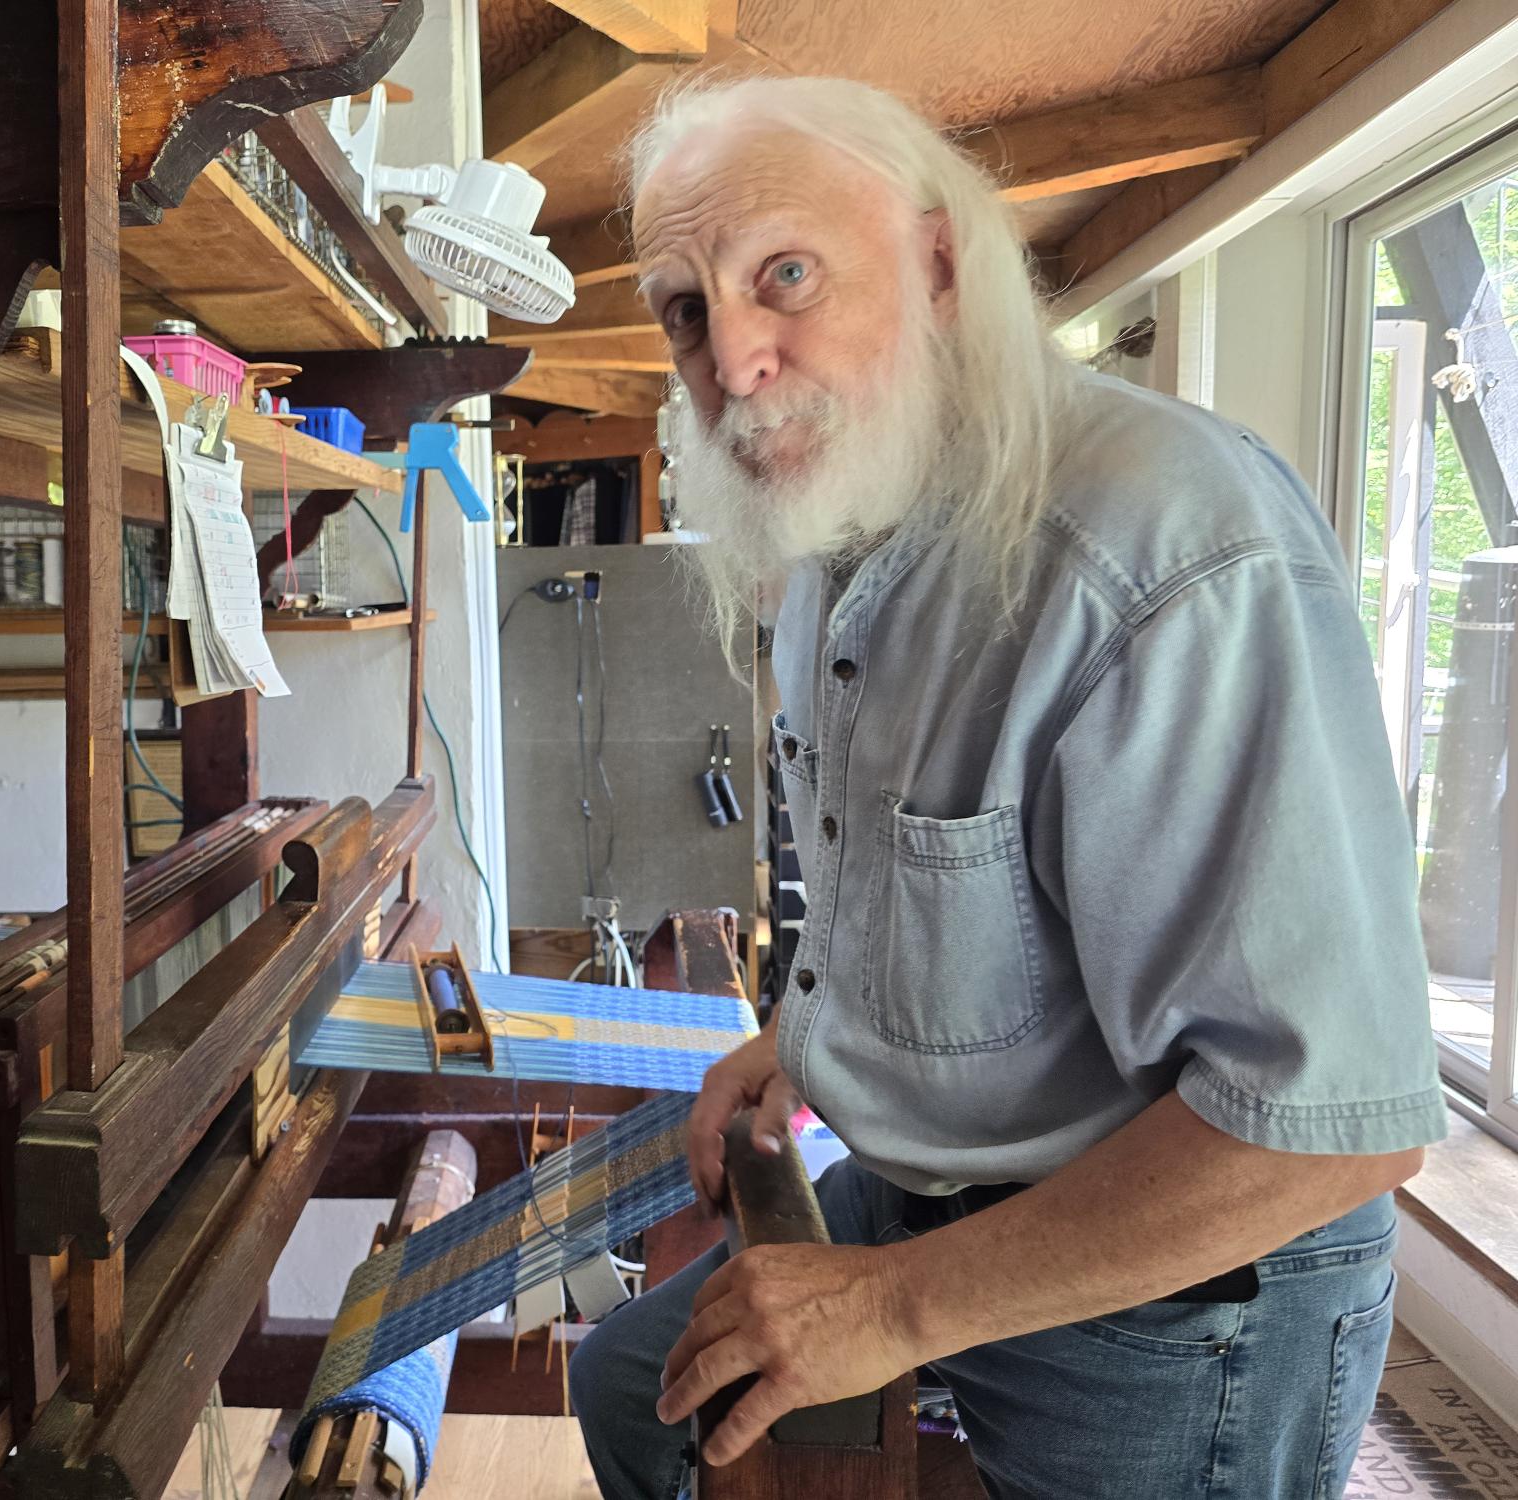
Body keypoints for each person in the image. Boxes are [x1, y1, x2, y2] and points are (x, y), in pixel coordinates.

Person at [567, 76, 1449, 1500]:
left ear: (935, 264)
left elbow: (1327, 1129)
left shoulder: (1166, 553)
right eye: (684, 309)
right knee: (632, 1385)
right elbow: (914, 880)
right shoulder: (841, 534)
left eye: (783, 274)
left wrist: (895, 1308)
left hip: (1187, 1291)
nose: (733, 360)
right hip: (944, 1184)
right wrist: (806, 1034)